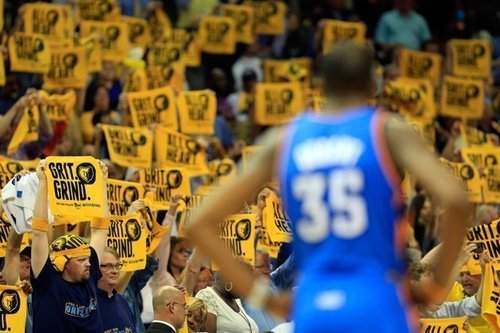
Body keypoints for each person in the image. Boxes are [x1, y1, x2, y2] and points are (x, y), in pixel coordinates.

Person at [186, 42, 472, 332]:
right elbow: (457, 201)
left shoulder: (286, 137)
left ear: (322, 85)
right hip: (377, 299)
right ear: (371, 86)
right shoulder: (387, 130)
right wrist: (434, 287)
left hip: (315, 306)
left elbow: (199, 222)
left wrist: (263, 297)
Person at [30, 159, 110, 332]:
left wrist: (101, 183)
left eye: (87, 259)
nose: (89, 263)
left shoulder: (89, 275)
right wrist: (43, 183)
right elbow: (39, 233)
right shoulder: (46, 281)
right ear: (62, 263)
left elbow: (100, 229)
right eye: (81, 260)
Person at [96, 247, 135, 332]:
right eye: (109, 266)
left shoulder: (123, 301)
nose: (115, 271)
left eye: (117, 266)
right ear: (95, 268)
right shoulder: (88, 304)